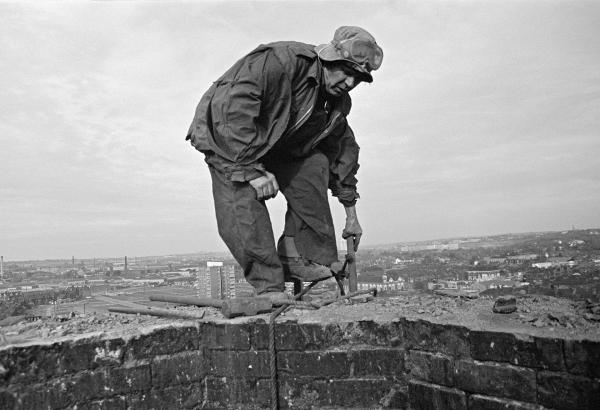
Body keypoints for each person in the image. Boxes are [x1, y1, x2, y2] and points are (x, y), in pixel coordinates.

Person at [186, 26, 383, 302]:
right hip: (227, 138)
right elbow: (231, 109)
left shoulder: (335, 106)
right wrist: (252, 170)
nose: (350, 83)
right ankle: (269, 287)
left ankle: (297, 255)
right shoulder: (283, 61)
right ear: (329, 59)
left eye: (358, 78)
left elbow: (344, 154)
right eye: (347, 72)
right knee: (240, 189)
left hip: (274, 147)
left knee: (315, 163)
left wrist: (352, 215)